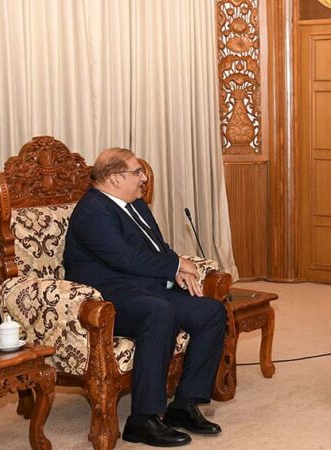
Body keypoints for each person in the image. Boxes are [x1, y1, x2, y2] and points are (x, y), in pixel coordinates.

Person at [64, 148, 227, 447]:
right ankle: (142, 419)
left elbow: (156, 248)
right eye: (136, 172)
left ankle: (184, 405)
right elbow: (125, 258)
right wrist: (175, 265)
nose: (143, 178)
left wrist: (174, 269)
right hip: (107, 299)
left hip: (146, 289)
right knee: (159, 311)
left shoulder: (135, 204)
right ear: (115, 178)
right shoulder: (93, 211)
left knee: (211, 312)